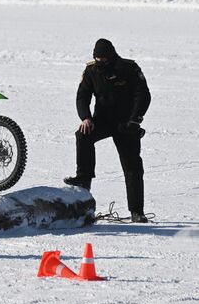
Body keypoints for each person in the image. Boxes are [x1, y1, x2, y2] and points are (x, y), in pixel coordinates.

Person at [64, 39, 151, 223]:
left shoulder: (129, 68)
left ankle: (137, 211)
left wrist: (136, 119)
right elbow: (82, 97)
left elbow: (142, 95)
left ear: (111, 56)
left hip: (126, 123)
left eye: (103, 59)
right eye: (97, 59)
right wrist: (86, 117)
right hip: (102, 120)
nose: (100, 62)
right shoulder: (91, 71)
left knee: (132, 166)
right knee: (83, 134)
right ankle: (83, 178)